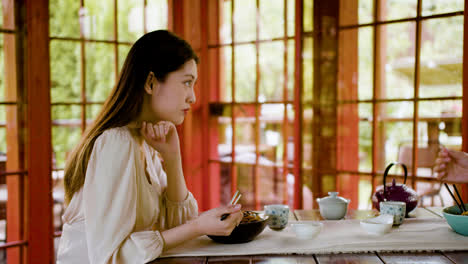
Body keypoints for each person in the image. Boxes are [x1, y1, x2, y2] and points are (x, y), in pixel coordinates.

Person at [57, 30, 243, 264]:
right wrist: (197, 226)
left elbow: (176, 226)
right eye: (187, 83)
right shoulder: (117, 143)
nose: (193, 98)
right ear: (151, 82)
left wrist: (172, 158)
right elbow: (109, 258)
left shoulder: (142, 141)